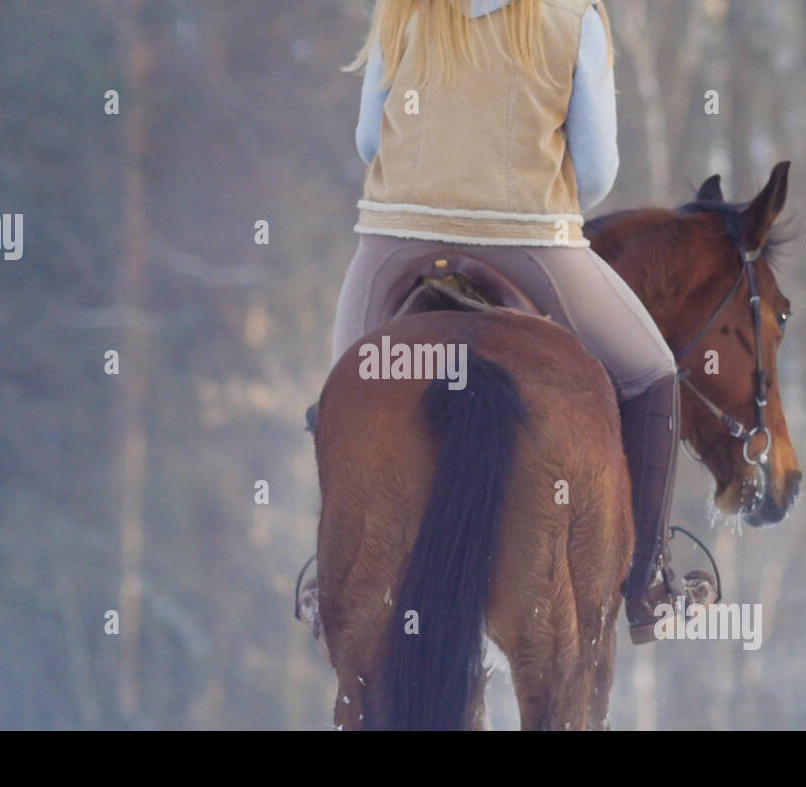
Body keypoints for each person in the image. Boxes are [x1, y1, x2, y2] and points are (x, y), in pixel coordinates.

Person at [305, 0, 714, 643]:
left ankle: (331, 576)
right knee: (652, 373)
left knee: (342, 394)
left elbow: (368, 140)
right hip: (528, 241)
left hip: (397, 240)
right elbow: (598, 170)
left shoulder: (401, 9)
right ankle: (647, 586)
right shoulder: (573, 18)